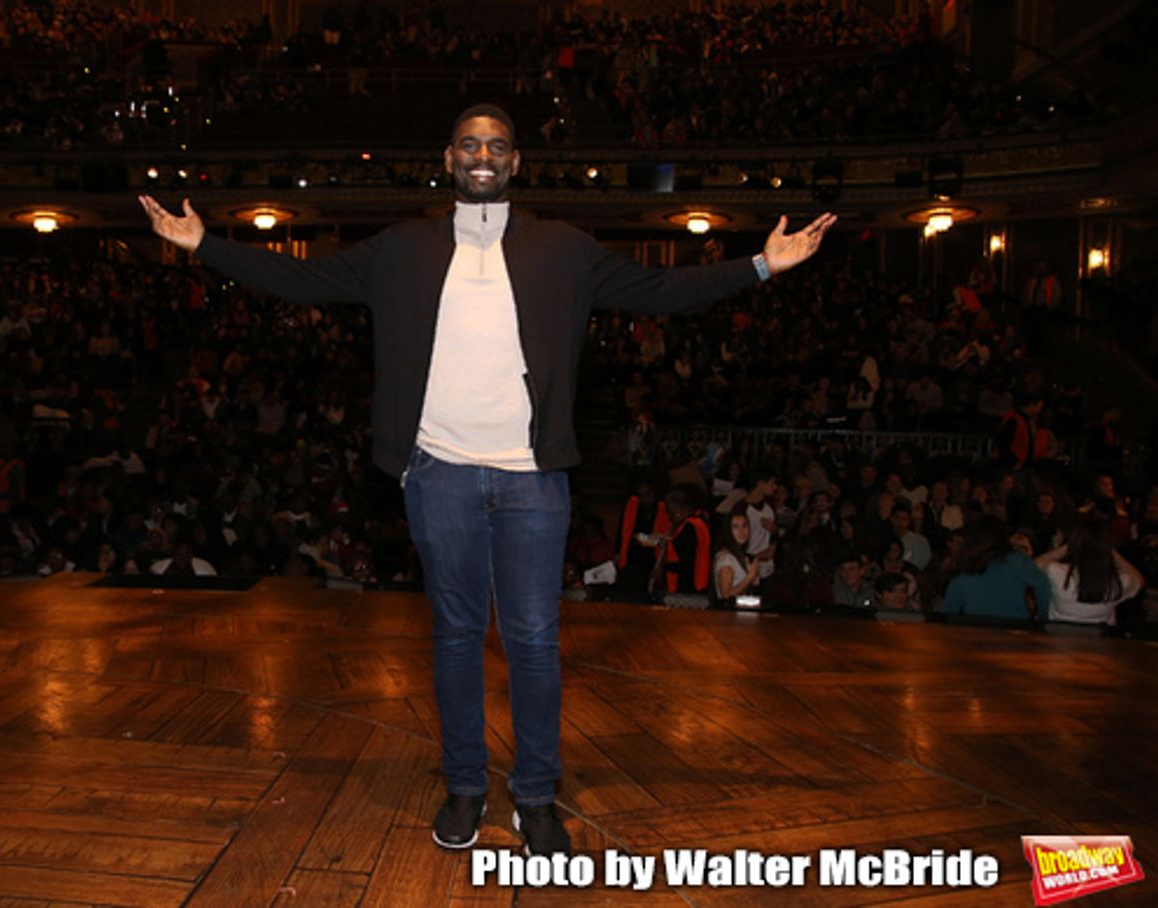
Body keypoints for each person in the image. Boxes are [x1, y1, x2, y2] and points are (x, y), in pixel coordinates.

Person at [139, 102, 835, 856]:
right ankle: (466, 787)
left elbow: (658, 292)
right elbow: (303, 282)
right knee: (456, 637)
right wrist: (205, 243)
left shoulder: (563, 248)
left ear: (515, 163)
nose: (483, 155)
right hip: (436, 472)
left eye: (497, 146)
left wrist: (764, 264)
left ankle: (535, 797)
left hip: (532, 480)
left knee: (534, 641)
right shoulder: (400, 247)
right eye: (470, 144)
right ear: (447, 159)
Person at [1035, 514, 1145, 625]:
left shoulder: (1058, 572)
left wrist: (1066, 548)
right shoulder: (1117, 581)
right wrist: (1111, 552)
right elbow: (1139, 580)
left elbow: (1035, 565)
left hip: (1060, 636)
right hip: (1099, 639)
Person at [941, 515, 1051, 621]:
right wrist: (1042, 618)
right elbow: (1043, 586)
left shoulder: (964, 565)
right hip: (1015, 630)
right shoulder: (1018, 561)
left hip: (977, 631)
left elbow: (950, 609)